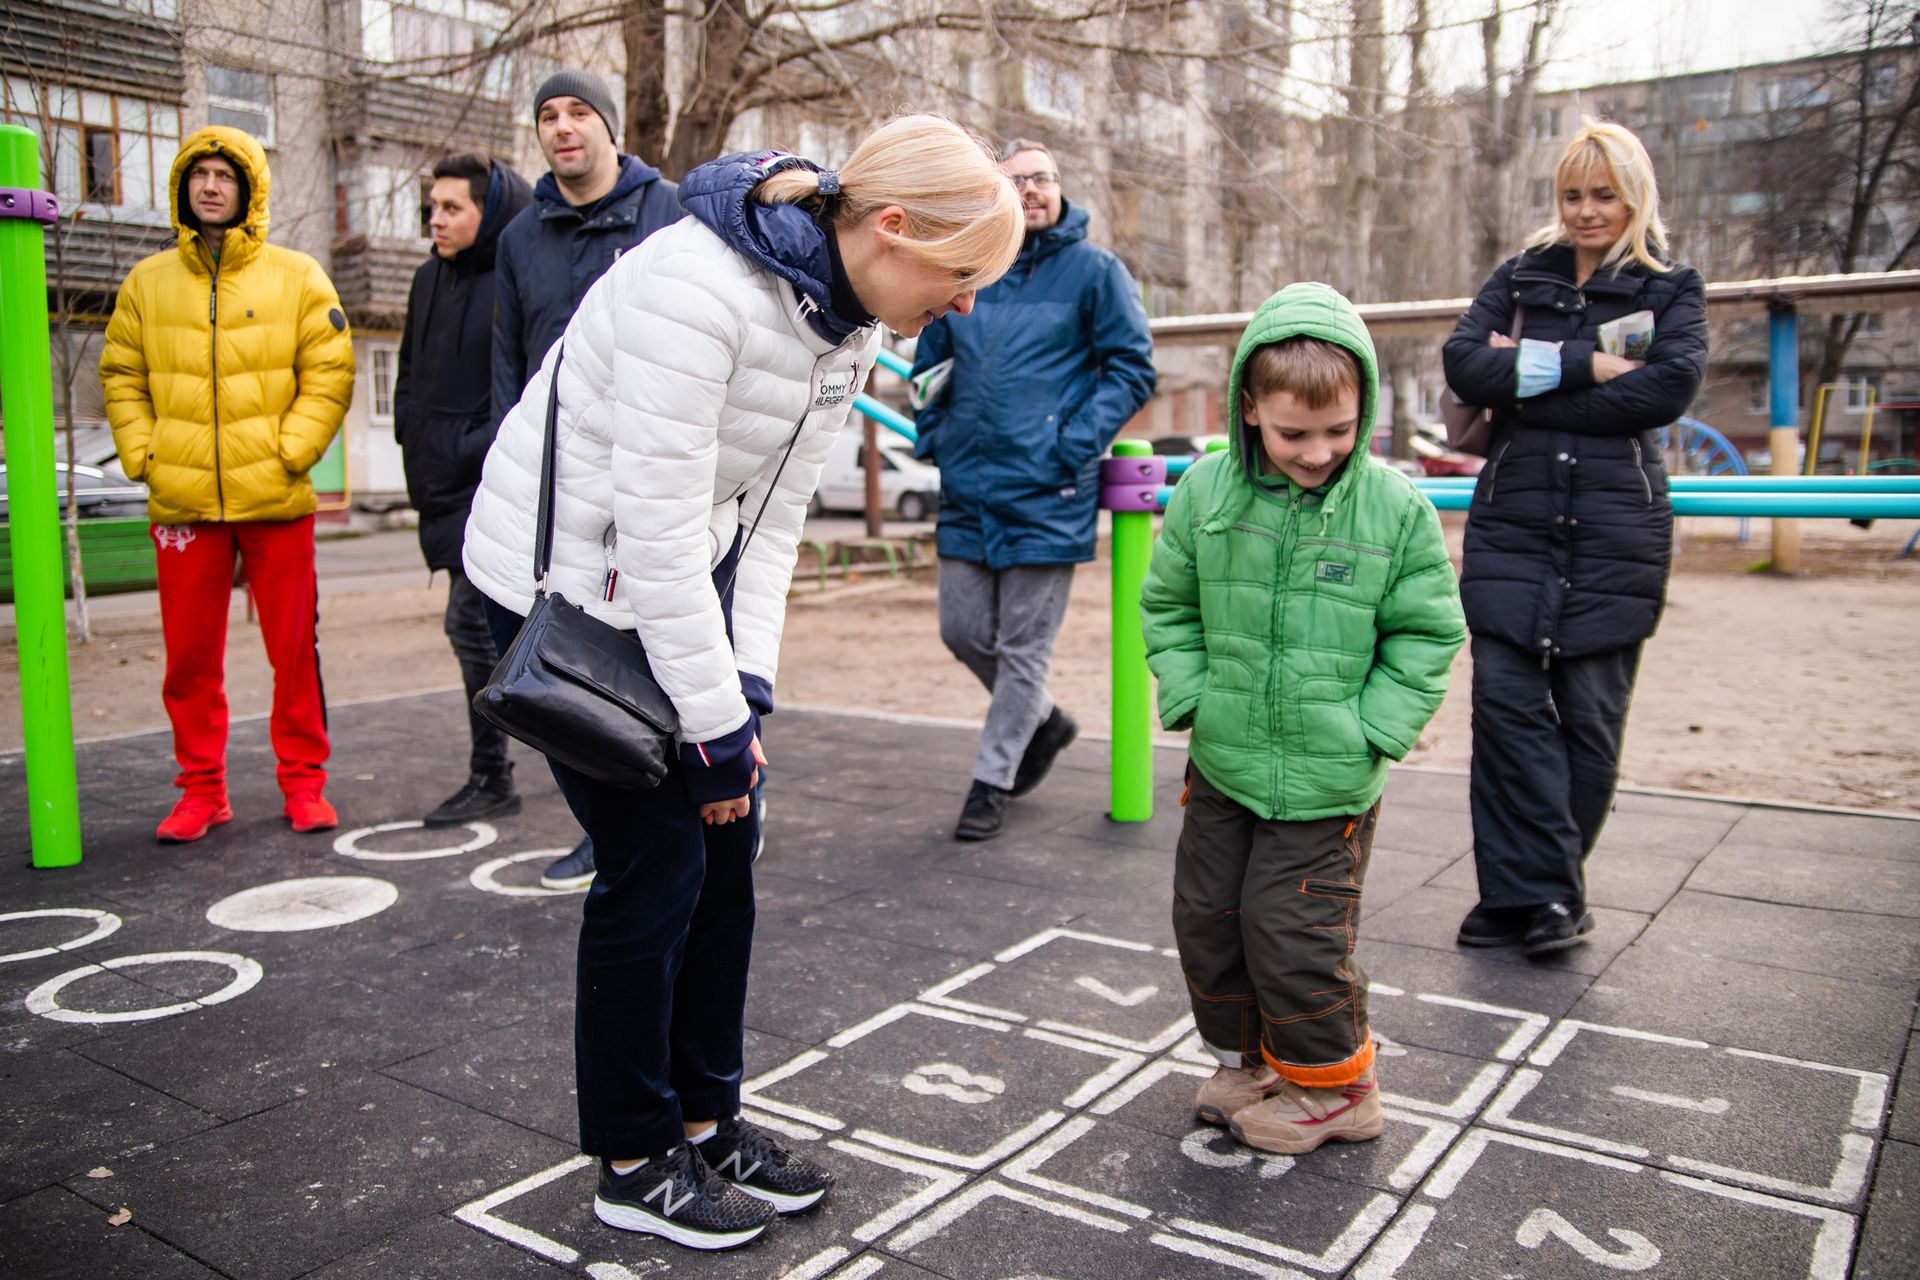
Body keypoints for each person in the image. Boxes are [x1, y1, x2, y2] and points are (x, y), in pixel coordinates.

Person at [462, 115, 1023, 1249]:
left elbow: (768, 528)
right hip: (562, 588)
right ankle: (632, 1153)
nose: (965, 304)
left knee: (730, 847)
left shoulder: (849, 322)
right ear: (894, 229)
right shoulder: (695, 286)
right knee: (655, 862)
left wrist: (745, 696)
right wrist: (708, 727)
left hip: (671, 582)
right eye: (961, 276)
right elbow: (660, 535)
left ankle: (709, 1120)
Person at [1141, 282, 1465, 1155]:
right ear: (1249, 407)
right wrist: (1193, 694)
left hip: (1328, 774)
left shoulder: (1394, 509)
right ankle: (1253, 1062)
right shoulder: (1206, 491)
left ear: (1363, 403)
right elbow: (1168, 606)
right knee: (1208, 919)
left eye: (1339, 430)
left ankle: (1338, 1088)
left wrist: (1373, 730)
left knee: (1295, 930)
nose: (1318, 451)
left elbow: (1428, 632)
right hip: (1226, 759)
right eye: (1293, 434)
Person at [1442, 120, 1707, 957]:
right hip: (1515, 521)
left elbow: (1665, 391)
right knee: (1506, 709)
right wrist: (1586, 364)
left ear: (1635, 197)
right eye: (1572, 195)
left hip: (1615, 530)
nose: (1587, 211)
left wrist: (1528, 375)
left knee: (1588, 720)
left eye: (1604, 195)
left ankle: (1547, 891)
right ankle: (1527, 896)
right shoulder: (1522, 274)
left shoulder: (1671, 287)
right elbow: (1463, 365)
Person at [100, 127, 354, 843]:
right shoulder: (148, 284)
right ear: (183, 188)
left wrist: (292, 450)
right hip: (181, 500)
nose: (211, 186)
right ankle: (201, 791)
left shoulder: (297, 275)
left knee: (292, 655)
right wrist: (145, 452)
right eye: (199, 175)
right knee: (187, 661)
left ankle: (304, 783)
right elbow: (121, 373)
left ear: (249, 190)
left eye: (225, 176)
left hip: (275, 499)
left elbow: (329, 370)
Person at [908, 137, 1156, 842]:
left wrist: (1071, 444)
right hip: (969, 485)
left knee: (1022, 648)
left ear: (1058, 188)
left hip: (1049, 490)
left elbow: (1132, 368)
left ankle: (992, 781)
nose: (1033, 191)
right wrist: (934, 435)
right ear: (995, 193)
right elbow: (929, 360)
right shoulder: (970, 268)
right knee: (960, 630)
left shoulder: (1094, 272)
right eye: (1016, 181)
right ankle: (1043, 721)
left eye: (1042, 179)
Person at [492, 69, 682, 887]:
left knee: (658, 638)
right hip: (553, 476)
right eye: (547, 116)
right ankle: (603, 823)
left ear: (609, 125)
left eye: (578, 113)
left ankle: (711, 789)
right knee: (567, 655)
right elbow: (508, 362)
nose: (562, 127)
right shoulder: (520, 239)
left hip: (648, 457)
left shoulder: (666, 211)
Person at [394, 154, 535, 827]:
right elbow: (408, 373)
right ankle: (501, 767)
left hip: (486, 482)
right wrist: (411, 437)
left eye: (452, 208)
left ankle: (496, 772)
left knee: (472, 625)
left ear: (488, 213)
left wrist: (468, 447)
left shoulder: (507, 276)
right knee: (480, 630)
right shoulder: (427, 279)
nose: (437, 220)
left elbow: (517, 380)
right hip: (437, 484)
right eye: (433, 207)